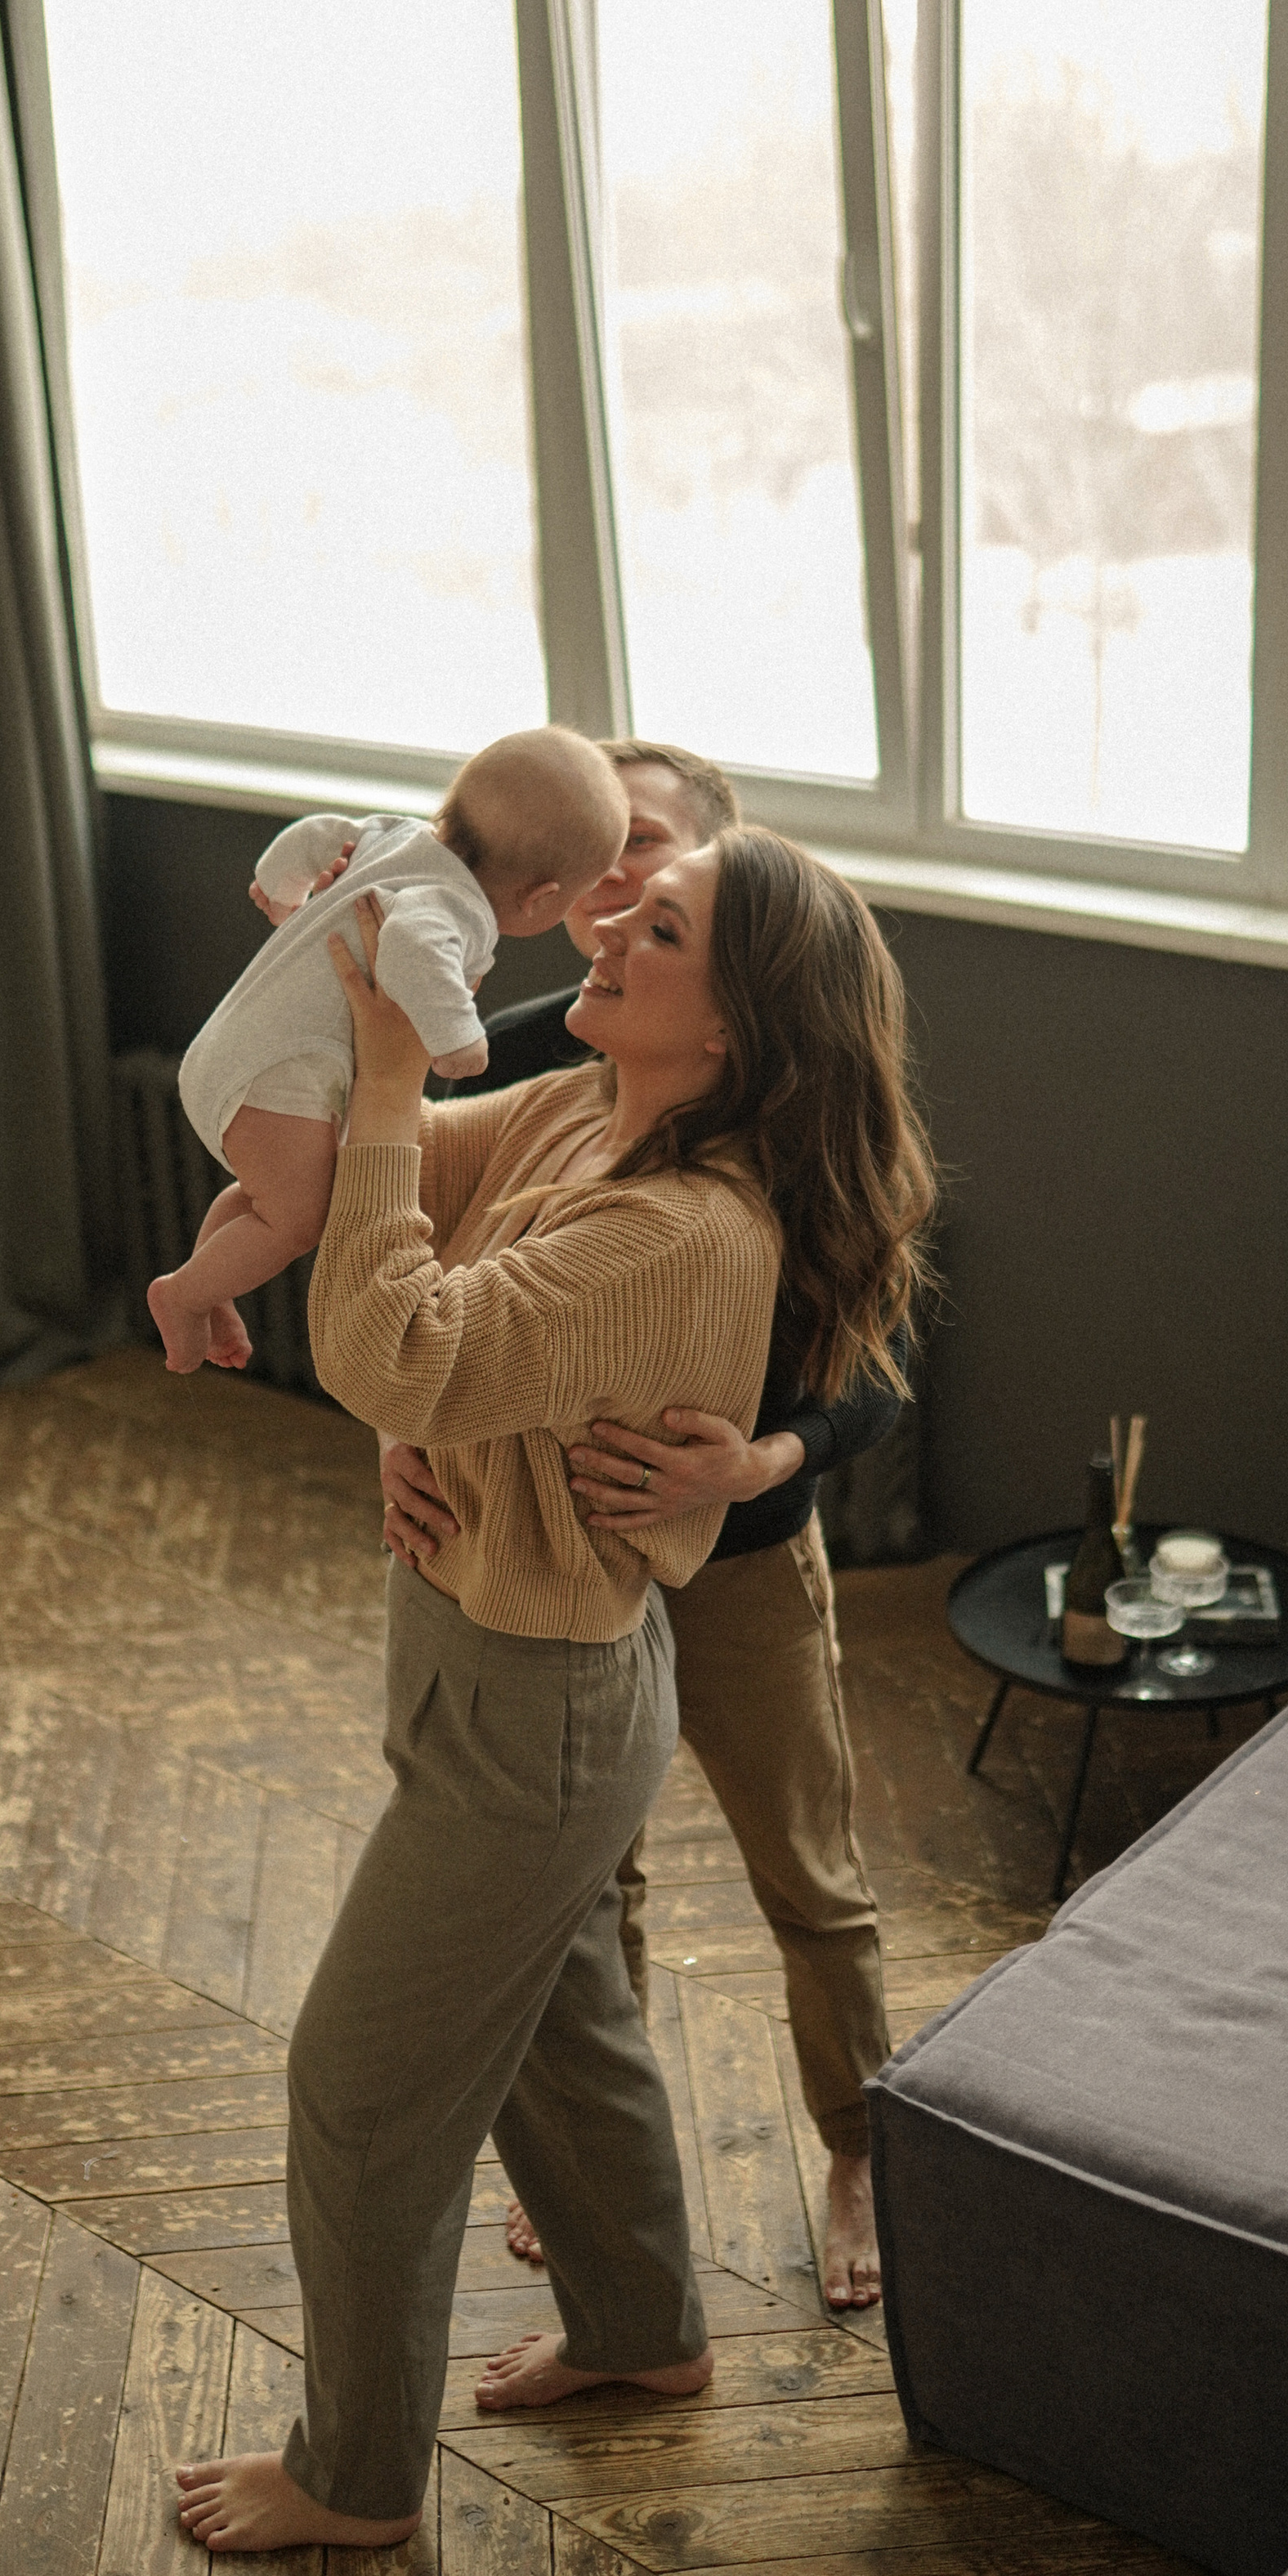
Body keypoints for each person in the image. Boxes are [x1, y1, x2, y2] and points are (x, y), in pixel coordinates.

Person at [173, 826, 932, 2555]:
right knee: (557, 2037)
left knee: (355, 2098)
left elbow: (393, 1334)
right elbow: (388, 1206)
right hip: (507, 1675)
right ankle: (645, 2334)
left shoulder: (680, 1228)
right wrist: (323, 1008)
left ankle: (354, 2479)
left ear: (731, 1026)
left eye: (654, 925)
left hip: (533, 1713)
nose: (604, 924)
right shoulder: (589, 1114)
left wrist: (373, 1104)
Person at [382, 741, 915, 2309]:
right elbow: (439, 1277)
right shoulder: (561, 1053)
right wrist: (406, 1433)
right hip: (569, 1566)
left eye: (656, 875)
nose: (609, 903)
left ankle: (865, 2143)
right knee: (585, 1878)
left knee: (805, 1871)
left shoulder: (778, 1109)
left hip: (742, 1559)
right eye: (604, 869)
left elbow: (875, 1374)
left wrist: (753, 1467)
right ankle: (609, 2169)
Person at [148, 728, 628, 1373]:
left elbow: (320, 834)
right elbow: (411, 946)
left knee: (270, 1197)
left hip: (232, 1055)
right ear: (541, 897)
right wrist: (457, 1041)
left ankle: (213, 1287)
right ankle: (184, 1294)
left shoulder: (396, 835)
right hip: (278, 1077)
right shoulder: (458, 904)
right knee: (299, 1221)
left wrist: (280, 884)